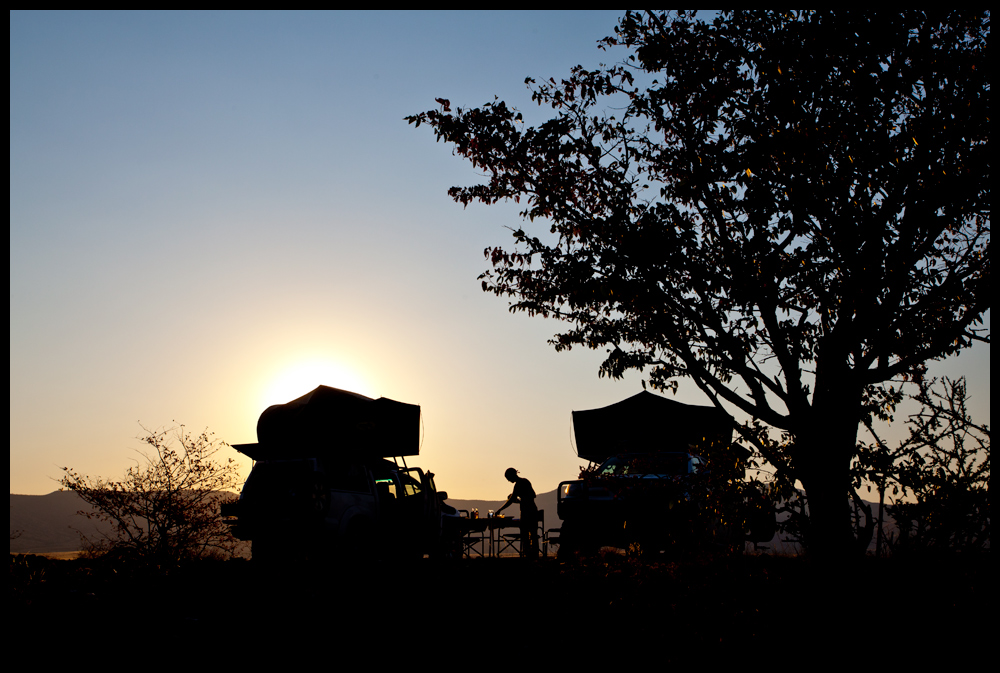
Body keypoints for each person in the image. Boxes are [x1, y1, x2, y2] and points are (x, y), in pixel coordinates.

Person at [496, 467, 538, 558]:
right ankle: (534, 555)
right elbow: (532, 495)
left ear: (512, 475)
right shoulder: (525, 481)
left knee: (525, 534)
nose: (508, 480)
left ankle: (528, 555)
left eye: (508, 478)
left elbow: (511, 500)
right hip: (533, 509)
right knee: (533, 533)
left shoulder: (518, 484)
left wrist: (500, 509)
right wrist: (520, 499)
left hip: (527, 511)